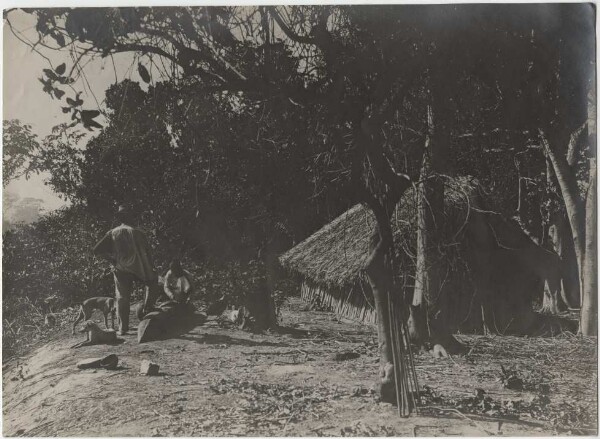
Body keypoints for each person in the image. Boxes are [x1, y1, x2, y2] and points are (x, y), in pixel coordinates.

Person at [93, 205, 160, 335]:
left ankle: (123, 329)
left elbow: (96, 250)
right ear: (131, 217)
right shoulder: (138, 233)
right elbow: (148, 253)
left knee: (122, 297)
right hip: (139, 268)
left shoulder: (113, 232)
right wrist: (151, 268)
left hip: (121, 269)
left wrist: (112, 260)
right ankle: (147, 310)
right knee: (152, 283)